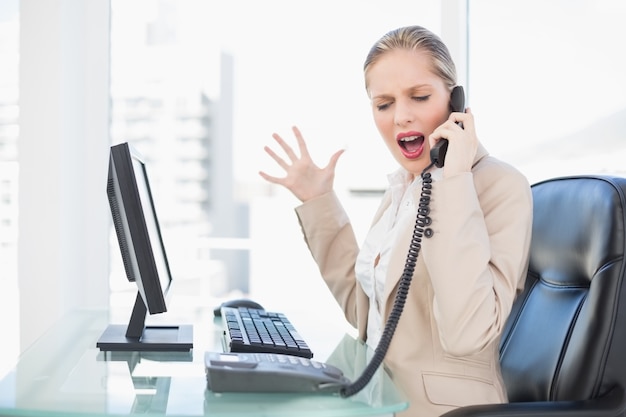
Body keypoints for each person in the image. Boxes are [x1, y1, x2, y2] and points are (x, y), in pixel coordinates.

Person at [259, 25, 533, 417]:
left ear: (455, 101)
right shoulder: (404, 190)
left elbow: (467, 333)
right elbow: (366, 315)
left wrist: (453, 180)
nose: (401, 117)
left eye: (419, 97)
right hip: (373, 400)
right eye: (383, 104)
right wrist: (318, 201)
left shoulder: (500, 186)